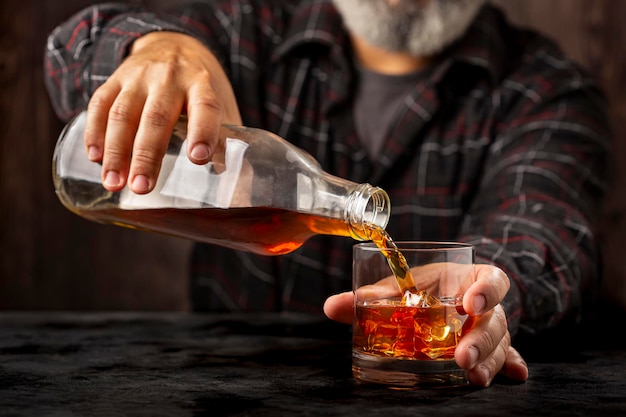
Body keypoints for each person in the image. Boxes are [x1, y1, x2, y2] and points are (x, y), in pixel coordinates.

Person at [44, 0, 611, 387]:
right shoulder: (252, 24)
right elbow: (71, 45)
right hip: (226, 389)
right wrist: (157, 46)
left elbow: (544, 231)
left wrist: (488, 287)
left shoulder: (549, 89)